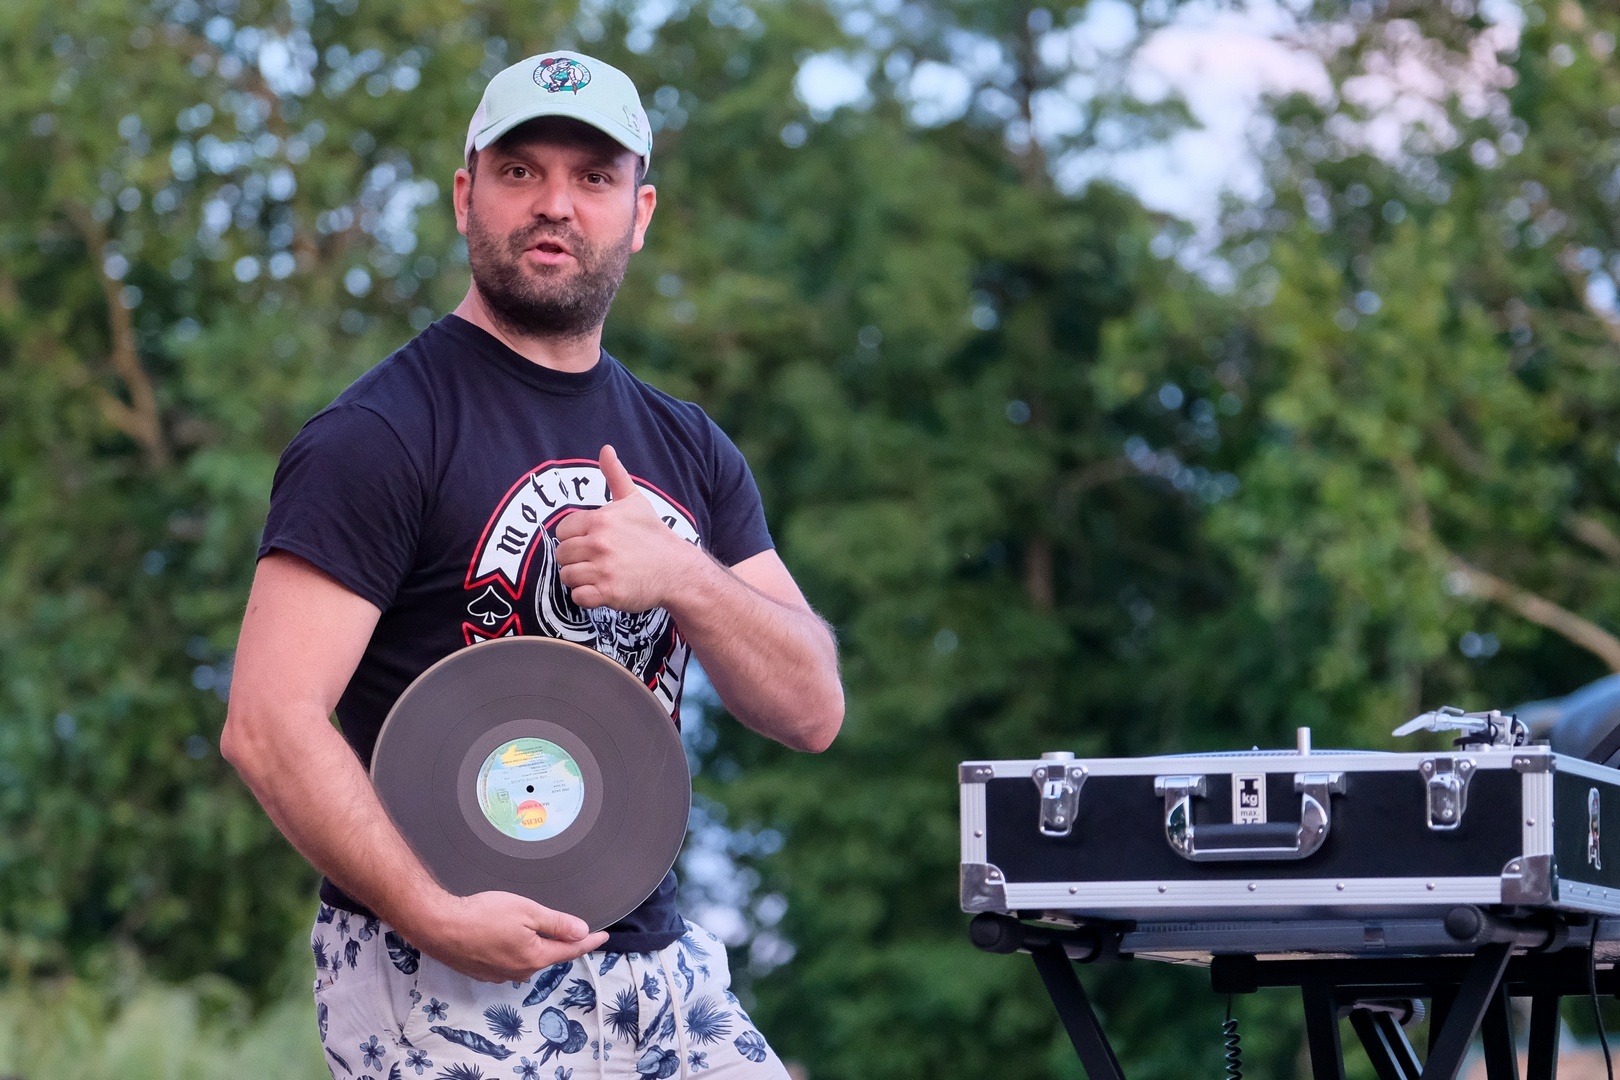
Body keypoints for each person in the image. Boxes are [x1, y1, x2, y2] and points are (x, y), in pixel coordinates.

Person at [222, 49, 843, 1080]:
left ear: (640, 213)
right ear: (465, 196)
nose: (556, 203)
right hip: (437, 972)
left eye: (594, 177)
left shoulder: (690, 447)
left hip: (658, 969)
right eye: (520, 171)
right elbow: (267, 723)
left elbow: (811, 708)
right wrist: (432, 913)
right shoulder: (380, 435)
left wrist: (683, 574)